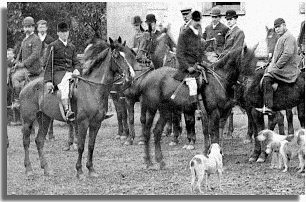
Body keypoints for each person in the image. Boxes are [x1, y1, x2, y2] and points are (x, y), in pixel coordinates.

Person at [256, 18, 300, 115]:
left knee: (267, 78)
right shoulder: (282, 37)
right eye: (276, 27)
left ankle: (268, 106)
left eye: (279, 26)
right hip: (283, 67)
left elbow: (287, 54)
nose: (277, 29)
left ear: (284, 25)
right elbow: (277, 56)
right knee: (263, 72)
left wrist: (276, 66)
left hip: (288, 68)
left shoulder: (289, 37)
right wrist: (269, 64)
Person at [44, 22, 81, 122]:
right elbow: (47, 65)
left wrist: (77, 69)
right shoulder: (53, 46)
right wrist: (48, 80)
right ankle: (67, 110)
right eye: (62, 32)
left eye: (66, 32)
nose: (65, 34)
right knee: (65, 83)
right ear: (58, 33)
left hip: (70, 73)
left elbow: (76, 62)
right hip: (58, 75)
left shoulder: (72, 47)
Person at [174, 10, 207, 103]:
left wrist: (203, 62)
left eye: (199, 20)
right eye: (195, 20)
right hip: (186, 69)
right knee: (193, 85)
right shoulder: (184, 34)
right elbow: (179, 54)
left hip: (197, 67)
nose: (197, 23)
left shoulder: (198, 34)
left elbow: (200, 52)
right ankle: (193, 107)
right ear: (191, 20)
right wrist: (188, 67)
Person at [11, 16, 42, 107]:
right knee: (11, 73)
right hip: (26, 67)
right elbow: (20, 53)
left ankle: (17, 100)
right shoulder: (24, 40)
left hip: (33, 68)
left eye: (29, 27)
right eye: (25, 27)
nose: (27, 29)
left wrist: (23, 64)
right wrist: (16, 63)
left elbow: (35, 55)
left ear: (33, 28)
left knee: (15, 78)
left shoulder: (36, 39)